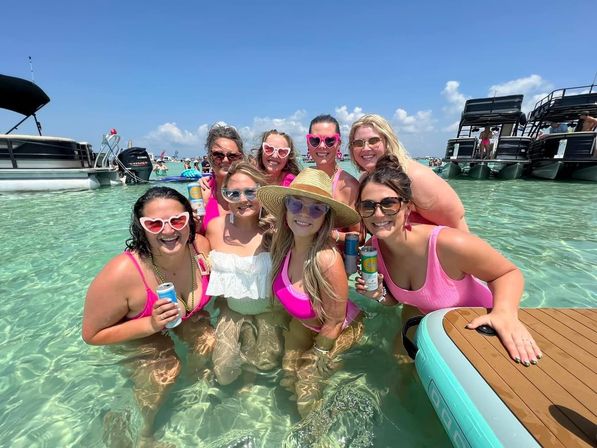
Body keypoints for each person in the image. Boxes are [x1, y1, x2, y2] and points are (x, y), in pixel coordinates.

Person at [354, 154, 542, 367]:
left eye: (389, 204)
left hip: (483, 325)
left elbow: (507, 273)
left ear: (407, 208)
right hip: (439, 329)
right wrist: (379, 295)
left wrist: (504, 314)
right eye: (368, 206)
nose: (378, 214)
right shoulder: (372, 249)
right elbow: (396, 300)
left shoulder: (448, 244)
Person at [82, 186, 214, 444]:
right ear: (141, 228)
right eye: (154, 224)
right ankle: (142, 432)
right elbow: (91, 335)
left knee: (211, 342)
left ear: (190, 220)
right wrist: (151, 324)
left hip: (185, 318)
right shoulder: (122, 273)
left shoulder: (200, 248)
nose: (168, 231)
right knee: (165, 368)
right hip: (139, 330)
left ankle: (194, 396)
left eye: (177, 220)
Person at [257, 168, 364, 417]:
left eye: (317, 208)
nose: (304, 213)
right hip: (304, 326)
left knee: (305, 392)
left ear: (325, 218)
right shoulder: (283, 246)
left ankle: (320, 439)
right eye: (296, 204)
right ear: (285, 210)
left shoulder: (327, 259)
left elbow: (335, 322)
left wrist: (317, 357)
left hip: (339, 332)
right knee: (286, 379)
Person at [205, 162, 286, 385]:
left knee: (267, 366)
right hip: (232, 311)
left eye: (251, 192)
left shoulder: (277, 229)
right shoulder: (214, 228)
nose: (243, 199)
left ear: (261, 192)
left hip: (270, 311)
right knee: (223, 373)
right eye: (234, 193)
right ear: (225, 195)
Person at [348, 114, 469, 231]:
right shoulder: (365, 180)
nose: (365, 148)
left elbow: (457, 226)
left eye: (373, 141)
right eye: (358, 143)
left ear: (388, 141)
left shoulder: (415, 177)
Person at [306, 114, 361, 246]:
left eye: (330, 140)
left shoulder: (349, 185)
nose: (322, 146)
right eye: (315, 140)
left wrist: (328, 234)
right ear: (308, 143)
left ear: (339, 144)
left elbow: (360, 237)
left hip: (334, 262)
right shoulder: (303, 177)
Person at [198, 123, 245, 234]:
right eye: (218, 155)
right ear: (209, 157)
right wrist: (202, 204)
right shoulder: (201, 191)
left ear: (241, 158)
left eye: (232, 156)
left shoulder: (251, 191)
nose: (225, 160)